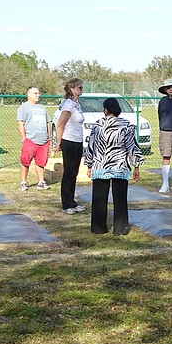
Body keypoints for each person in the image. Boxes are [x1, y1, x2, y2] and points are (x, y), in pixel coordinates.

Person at [84, 98, 143, 235]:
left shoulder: (97, 125)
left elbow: (91, 146)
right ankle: (121, 228)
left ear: (105, 110)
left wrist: (89, 165)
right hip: (120, 165)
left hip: (100, 165)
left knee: (99, 198)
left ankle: (98, 227)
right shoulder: (127, 125)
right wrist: (136, 166)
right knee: (120, 198)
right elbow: (132, 147)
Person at [53, 78, 86, 214]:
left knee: (74, 173)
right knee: (68, 173)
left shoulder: (77, 104)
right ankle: (66, 204)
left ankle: (72, 201)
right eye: (79, 87)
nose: (81, 89)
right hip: (69, 141)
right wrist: (59, 143)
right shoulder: (68, 104)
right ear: (72, 89)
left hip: (78, 141)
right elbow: (60, 124)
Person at [16, 86, 51, 191]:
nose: (38, 95)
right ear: (29, 94)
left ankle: (41, 182)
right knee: (25, 161)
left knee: (41, 162)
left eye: (38, 93)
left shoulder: (42, 108)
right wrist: (24, 139)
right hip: (30, 140)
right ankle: (23, 182)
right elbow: (20, 123)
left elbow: (48, 123)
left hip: (43, 141)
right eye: (35, 93)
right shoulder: (24, 108)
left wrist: (49, 138)